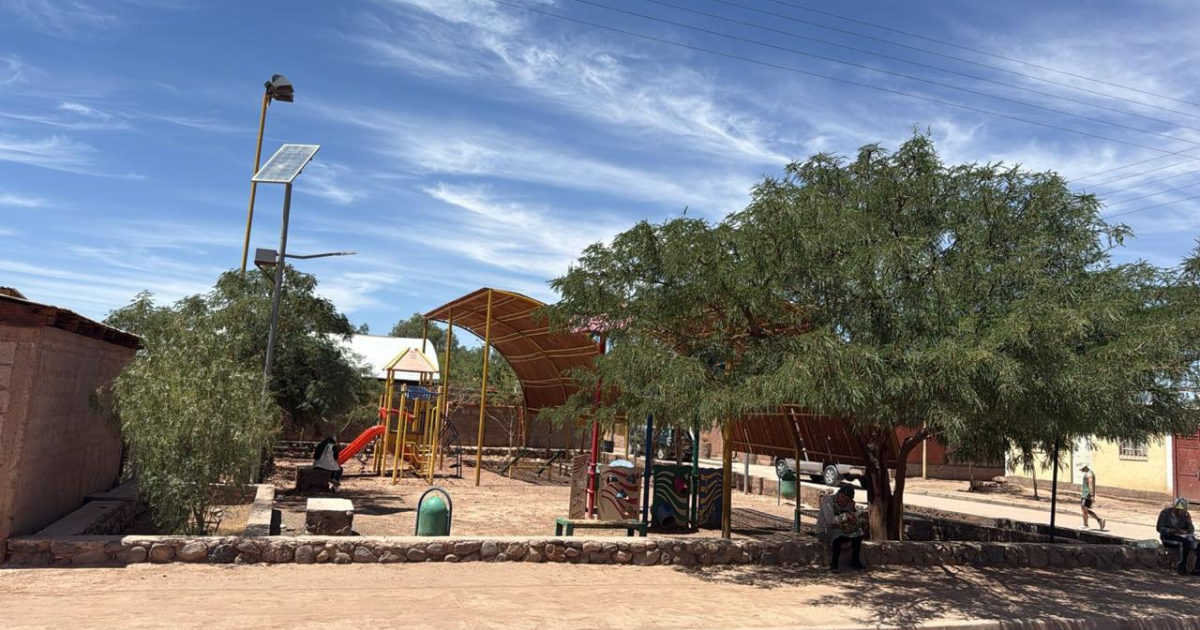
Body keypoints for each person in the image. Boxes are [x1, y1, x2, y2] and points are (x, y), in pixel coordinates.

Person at [816, 485, 865, 572]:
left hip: (841, 528)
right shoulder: (828, 500)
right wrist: (846, 516)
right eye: (841, 497)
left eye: (846, 499)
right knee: (838, 535)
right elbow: (830, 520)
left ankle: (855, 560)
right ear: (838, 494)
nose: (843, 500)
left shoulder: (847, 504)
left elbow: (852, 517)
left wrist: (853, 511)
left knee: (859, 532)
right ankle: (834, 564)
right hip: (825, 531)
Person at [1157, 497, 1198, 575]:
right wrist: (1173, 530)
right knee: (1185, 543)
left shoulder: (1184, 515)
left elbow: (1191, 531)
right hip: (1168, 536)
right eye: (1178, 510)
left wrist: (1189, 522)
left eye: (1182, 510)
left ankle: (1197, 568)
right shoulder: (1165, 513)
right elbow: (1159, 528)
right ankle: (1182, 567)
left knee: (1197, 543)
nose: (1180, 511)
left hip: (1181, 536)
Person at [1078, 465, 1106, 530]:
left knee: (1084, 510)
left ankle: (1085, 524)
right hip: (1085, 494)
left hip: (1086, 495)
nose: (1080, 470)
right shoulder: (1088, 473)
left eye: (1081, 469)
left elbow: (1090, 485)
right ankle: (1099, 520)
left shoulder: (1089, 474)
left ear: (1084, 467)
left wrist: (1091, 495)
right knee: (1086, 510)